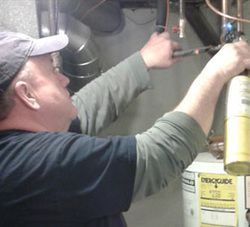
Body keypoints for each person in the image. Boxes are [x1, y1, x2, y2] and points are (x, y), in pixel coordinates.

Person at [0, 31, 250, 227]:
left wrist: (143, 60)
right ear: (27, 94)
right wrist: (218, 71)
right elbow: (160, 155)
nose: (64, 79)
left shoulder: (16, 148)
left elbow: (84, 108)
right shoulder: (37, 164)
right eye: (53, 70)